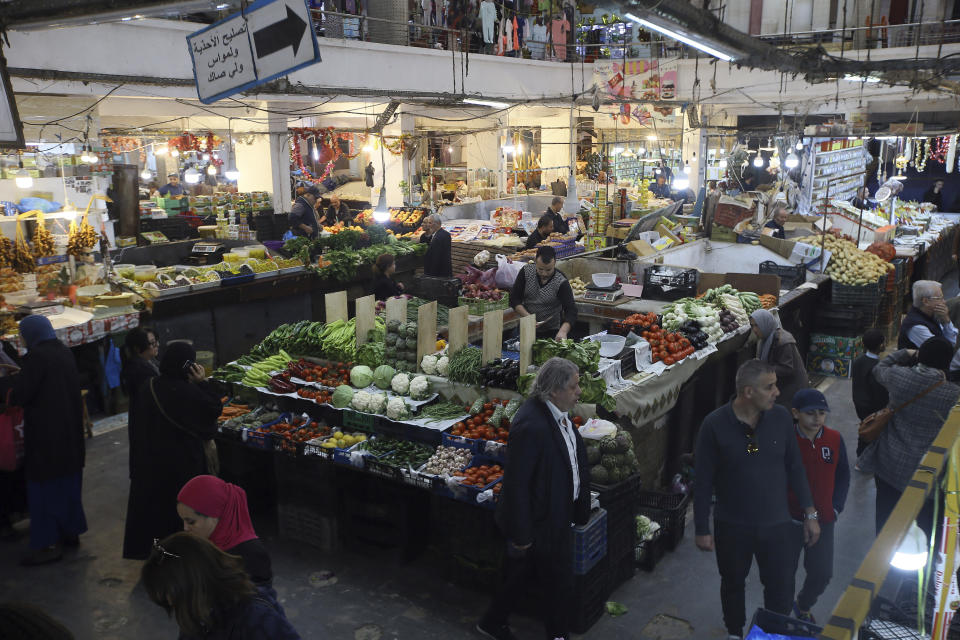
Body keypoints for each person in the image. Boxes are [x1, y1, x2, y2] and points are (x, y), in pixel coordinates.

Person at [694, 359, 819, 640]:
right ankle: (735, 631)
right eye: (770, 387)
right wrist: (701, 528)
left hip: (777, 525)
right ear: (748, 392)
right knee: (733, 583)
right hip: (732, 525)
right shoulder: (714, 425)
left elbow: (795, 466)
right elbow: (702, 481)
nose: (777, 392)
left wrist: (810, 514)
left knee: (780, 586)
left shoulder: (782, 418)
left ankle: (773, 633)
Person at [478, 357, 590, 640]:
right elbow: (516, 484)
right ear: (554, 390)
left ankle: (493, 621)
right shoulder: (531, 425)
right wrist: (523, 533)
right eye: (574, 387)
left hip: (554, 513)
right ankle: (557, 634)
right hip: (541, 520)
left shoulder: (557, 414)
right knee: (558, 581)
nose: (579, 392)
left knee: (522, 576)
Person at [122, 342, 221, 560]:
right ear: (188, 366)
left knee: (159, 515)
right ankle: (183, 556)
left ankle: (162, 553)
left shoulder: (148, 386)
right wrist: (203, 383)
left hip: (151, 464)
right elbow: (213, 410)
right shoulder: (186, 392)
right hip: (182, 465)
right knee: (182, 515)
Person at [0, 316, 86, 566]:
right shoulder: (62, 350)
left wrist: (8, 391)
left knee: (44, 491)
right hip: (69, 433)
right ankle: (71, 532)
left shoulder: (37, 358)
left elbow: (21, 393)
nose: (21, 338)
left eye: (23, 333)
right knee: (68, 486)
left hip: (47, 439)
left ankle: (48, 545)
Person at [858, 337, 960, 539]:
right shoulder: (953, 394)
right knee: (923, 529)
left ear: (921, 355)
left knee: (886, 523)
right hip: (928, 473)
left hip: (890, 464)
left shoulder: (900, 377)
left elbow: (880, 367)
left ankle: (882, 562)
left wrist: (905, 352)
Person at [142, 533, 300, 640]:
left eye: (171, 595)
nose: (170, 602)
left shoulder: (256, 618)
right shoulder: (197, 613)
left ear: (195, 584)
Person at [786, 389, 850, 624]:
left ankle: (803, 604)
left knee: (822, 574)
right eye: (810, 413)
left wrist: (836, 507)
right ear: (795, 413)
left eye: (821, 413)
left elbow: (843, 474)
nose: (817, 418)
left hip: (824, 520)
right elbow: (756, 454)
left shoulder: (834, 439)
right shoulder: (784, 439)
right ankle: (780, 614)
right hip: (789, 520)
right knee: (782, 576)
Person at [177, 476, 273, 587]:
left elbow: (260, 600)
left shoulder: (251, 555)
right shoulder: (204, 543)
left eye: (191, 522)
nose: (185, 528)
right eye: (183, 520)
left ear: (216, 516)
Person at [511, 246, 577, 340]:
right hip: (526, 326)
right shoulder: (526, 272)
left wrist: (563, 331)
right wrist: (529, 318)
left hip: (552, 331)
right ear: (535, 261)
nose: (544, 274)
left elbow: (571, 310)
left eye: (548, 270)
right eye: (540, 269)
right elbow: (514, 299)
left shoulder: (561, 281)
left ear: (554, 263)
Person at [749, 309, 809, 408]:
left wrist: (763, 368)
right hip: (781, 386)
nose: (754, 330)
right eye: (752, 326)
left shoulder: (783, 341)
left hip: (793, 388)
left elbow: (787, 368)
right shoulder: (764, 339)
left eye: (757, 325)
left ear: (765, 323)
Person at [851, 329, 889, 455]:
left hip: (859, 405)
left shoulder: (858, 361)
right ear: (880, 345)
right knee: (872, 432)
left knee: (865, 429)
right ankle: (863, 456)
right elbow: (879, 394)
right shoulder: (878, 367)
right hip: (873, 408)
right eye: (883, 342)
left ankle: (860, 454)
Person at [120, 327, 159, 407]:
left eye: (156, 341)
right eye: (153, 343)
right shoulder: (139, 370)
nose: (157, 345)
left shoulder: (150, 361)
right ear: (137, 348)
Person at [419, 213, 453, 277]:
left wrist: (431, 274)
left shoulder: (437, 238)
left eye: (430, 223)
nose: (428, 225)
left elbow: (436, 258)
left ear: (436, 224)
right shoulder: (446, 234)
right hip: (446, 271)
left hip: (439, 274)